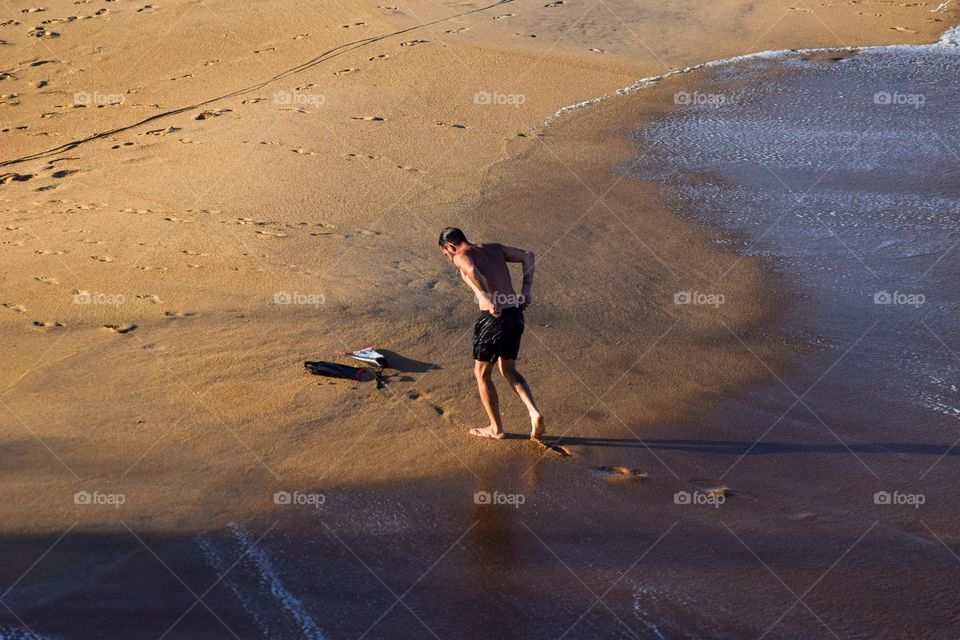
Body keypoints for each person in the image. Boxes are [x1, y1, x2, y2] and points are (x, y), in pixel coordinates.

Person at [438, 227, 545, 440]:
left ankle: (496, 429)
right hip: (515, 315)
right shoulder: (493, 249)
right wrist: (526, 291)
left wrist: (487, 296)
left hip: (493, 319)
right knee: (509, 370)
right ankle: (534, 413)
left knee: (482, 374)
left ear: (450, 246)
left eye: (445, 255)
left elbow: (470, 269)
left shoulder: (461, 255)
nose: (449, 259)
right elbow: (528, 256)